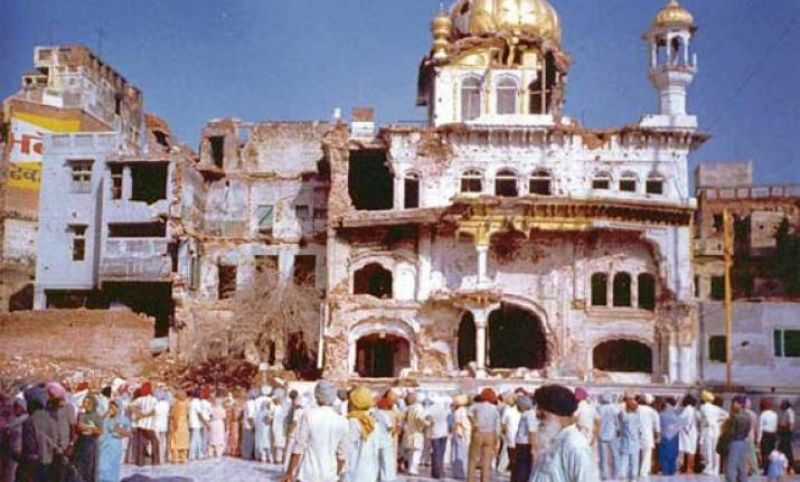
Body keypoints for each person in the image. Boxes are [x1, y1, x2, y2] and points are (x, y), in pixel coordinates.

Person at [282, 380, 349, 482]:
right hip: (330, 475)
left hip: (308, 474)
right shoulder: (342, 421)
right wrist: (336, 474)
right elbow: (342, 456)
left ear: (316, 395)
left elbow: (299, 448)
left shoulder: (309, 416)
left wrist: (289, 472)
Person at [529, 384, 598, 482]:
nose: (537, 414)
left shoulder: (575, 446)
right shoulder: (552, 440)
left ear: (559, 413)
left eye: (542, 409)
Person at [18, 386, 58, 482]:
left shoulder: (29, 421)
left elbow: (29, 446)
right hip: (49, 461)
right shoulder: (51, 419)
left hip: (33, 464)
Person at [344, 386, 381, 482]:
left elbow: (347, 447)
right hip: (371, 471)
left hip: (354, 471)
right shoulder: (373, 420)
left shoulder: (354, 421)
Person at [467, 388, 499, 482]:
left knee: (473, 459)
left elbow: (468, 412)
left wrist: (474, 422)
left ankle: (471, 479)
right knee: (486, 461)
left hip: (478, 432)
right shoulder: (495, 409)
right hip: (490, 434)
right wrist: (496, 440)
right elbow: (497, 426)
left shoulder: (477, 406)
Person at [72, 394, 103, 482]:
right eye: (84, 402)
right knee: (79, 466)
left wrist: (89, 428)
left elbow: (100, 431)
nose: (85, 404)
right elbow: (78, 427)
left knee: (89, 467)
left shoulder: (97, 416)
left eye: (87, 403)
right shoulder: (81, 415)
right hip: (81, 442)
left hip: (91, 443)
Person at [97, 401, 130, 482]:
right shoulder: (106, 418)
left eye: (113, 407)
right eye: (110, 407)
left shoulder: (123, 419)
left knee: (112, 465)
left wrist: (119, 432)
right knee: (101, 465)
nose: (111, 409)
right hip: (104, 444)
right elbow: (101, 429)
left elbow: (129, 433)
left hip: (115, 444)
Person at [724, 395, 753, 482]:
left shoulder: (734, 416)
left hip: (734, 442)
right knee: (742, 466)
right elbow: (748, 430)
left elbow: (730, 432)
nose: (732, 405)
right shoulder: (748, 416)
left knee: (730, 466)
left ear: (737, 403)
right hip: (743, 442)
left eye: (733, 403)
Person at [699, 389, 728, 476]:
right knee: (716, 450)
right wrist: (718, 421)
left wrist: (707, 422)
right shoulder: (715, 408)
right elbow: (727, 415)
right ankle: (716, 469)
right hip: (716, 430)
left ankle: (709, 468)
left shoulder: (703, 407)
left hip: (708, 430)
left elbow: (705, 418)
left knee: (708, 449)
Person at [131, 381, 160, 466]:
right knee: (154, 442)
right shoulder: (154, 400)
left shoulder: (140, 399)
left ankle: (140, 462)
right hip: (149, 425)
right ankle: (155, 460)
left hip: (140, 425)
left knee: (141, 444)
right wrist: (145, 415)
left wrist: (139, 414)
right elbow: (154, 412)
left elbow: (131, 406)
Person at [0, 397, 27, 482]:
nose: (14, 410)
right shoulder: (16, 421)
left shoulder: (23, 420)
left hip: (18, 451)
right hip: (12, 451)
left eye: (16, 407)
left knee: (12, 473)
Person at [511, 393, 536, 482]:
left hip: (525, 443)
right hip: (522, 443)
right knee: (521, 467)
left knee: (522, 468)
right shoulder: (527, 414)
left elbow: (531, 431)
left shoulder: (529, 414)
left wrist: (533, 447)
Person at [617, 393, 642, 481]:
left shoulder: (624, 416)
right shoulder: (637, 416)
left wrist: (624, 399)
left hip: (625, 443)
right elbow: (639, 430)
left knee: (623, 463)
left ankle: (623, 478)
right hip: (634, 443)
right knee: (634, 464)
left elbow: (619, 411)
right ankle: (632, 478)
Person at [402, 391, 427, 476]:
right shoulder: (419, 408)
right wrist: (427, 424)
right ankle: (413, 470)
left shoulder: (408, 408)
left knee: (411, 453)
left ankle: (410, 468)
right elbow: (419, 418)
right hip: (417, 433)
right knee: (416, 452)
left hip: (409, 433)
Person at [375, 394, 399, 482]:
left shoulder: (374, 413)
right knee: (387, 460)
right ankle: (386, 478)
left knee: (378, 460)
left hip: (377, 440)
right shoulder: (384, 414)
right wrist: (396, 429)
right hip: (386, 440)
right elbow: (389, 427)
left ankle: (379, 476)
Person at [425, 396, 450, 479]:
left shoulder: (430, 409)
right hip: (444, 432)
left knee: (435, 453)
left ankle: (436, 472)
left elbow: (428, 419)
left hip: (435, 433)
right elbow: (449, 419)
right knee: (441, 453)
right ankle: (440, 471)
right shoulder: (445, 409)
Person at [596, 393, 619, 480]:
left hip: (601, 434)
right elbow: (617, 420)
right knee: (615, 454)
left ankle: (604, 474)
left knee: (603, 456)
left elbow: (597, 421)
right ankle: (616, 474)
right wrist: (618, 429)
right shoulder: (613, 408)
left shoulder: (599, 408)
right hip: (612, 433)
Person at [638, 394, 660, 478]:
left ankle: (635, 470)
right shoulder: (652, 411)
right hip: (648, 435)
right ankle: (644, 472)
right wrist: (658, 436)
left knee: (635, 454)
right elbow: (657, 425)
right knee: (647, 454)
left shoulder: (635, 409)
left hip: (636, 435)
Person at [658, 396, 681, 476]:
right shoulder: (677, 414)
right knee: (673, 454)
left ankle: (666, 471)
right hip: (674, 436)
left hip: (664, 436)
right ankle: (672, 471)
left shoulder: (661, 414)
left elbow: (658, 426)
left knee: (664, 455)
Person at [451, 394, 472, 480]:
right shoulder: (463, 411)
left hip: (459, 433)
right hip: (462, 433)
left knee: (458, 452)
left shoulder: (457, 411)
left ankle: (458, 472)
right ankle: (462, 472)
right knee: (462, 453)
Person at [500, 393, 521, 476]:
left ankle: (502, 467)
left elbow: (503, 423)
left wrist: (503, 432)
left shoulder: (507, 410)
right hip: (517, 433)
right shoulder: (519, 410)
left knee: (507, 451)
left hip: (510, 432)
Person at [678, 394, 699, 474]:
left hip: (686, 431)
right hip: (693, 430)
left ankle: (684, 467)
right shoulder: (694, 410)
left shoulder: (686, 409)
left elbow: (680, 418)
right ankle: (690, 468)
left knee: (683, 448)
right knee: (692, 450)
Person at [168, 390, 190, 464]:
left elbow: (174, 415)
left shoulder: (177, 404)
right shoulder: (186, 403)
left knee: (175, 441)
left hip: (177, 424)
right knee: (184, 441)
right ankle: (183, 457)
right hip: (184, 424)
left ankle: (176, 458)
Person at [759, 398, 779, 476]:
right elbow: (776, 426)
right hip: (773, 435)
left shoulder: (763, 415)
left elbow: (760, 428)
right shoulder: (775, 414)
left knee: (765, 452)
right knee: (771, 452)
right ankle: (772, 468)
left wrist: (758, 439)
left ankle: (766, 469)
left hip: (765, 434)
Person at [254, 386, 274, 463]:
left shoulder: (259, 411)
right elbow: (268, 421)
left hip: (260, 429)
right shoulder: (267, 411)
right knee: (267, 443)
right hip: (266, 430)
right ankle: (269, 458)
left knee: (261, 443)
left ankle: (263, 457)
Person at [188, 388, 207, 461]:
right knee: (194, 439)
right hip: (195, 423)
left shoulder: (192, 402)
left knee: (198, 439)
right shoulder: (196, 402)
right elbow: (199, 414)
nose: (202, 395)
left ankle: (199, 453)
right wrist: (206, 423)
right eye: (201, 393)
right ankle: (192, 454)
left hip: (194, 423)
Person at [153, 388, 171, 466]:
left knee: (157, 441)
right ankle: (162, 458)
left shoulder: (156, 405)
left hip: (156, 425)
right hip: (164, 424)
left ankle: (157, 458)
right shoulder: (167, 405)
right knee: (163, 441)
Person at [271, 388, 289, 464]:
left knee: (280, 445)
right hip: (278, 428)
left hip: (282, 428)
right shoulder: (277, 407)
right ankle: (279, 459)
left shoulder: (285, 406)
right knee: (279, 445)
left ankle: (280, 460)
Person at [777, 400, 795, 474]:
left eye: (782, 404)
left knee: (787, 448)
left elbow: (791, 423)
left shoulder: (789, 411)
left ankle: (791, 465)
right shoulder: (784, 411)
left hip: (786, 432)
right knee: (781, 448)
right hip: (783, 431)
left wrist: (788, 432)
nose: (780, 406)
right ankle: (783, 465)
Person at [241, 389, 258, 460]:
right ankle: (247, 456)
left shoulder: (246, 403)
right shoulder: (251, 403)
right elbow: (250, 416)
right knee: (249, 441)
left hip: (245, 424)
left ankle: (245, 455)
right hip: (249, 425)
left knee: (246, 441)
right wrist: (253, 425)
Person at [224, 392, 242, 457]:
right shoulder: (231, 407)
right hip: (232, 423)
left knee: (234, 437)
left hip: (233, 423)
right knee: (232, 436)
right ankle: (232, 450)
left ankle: (233, 450)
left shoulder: (234, 407)